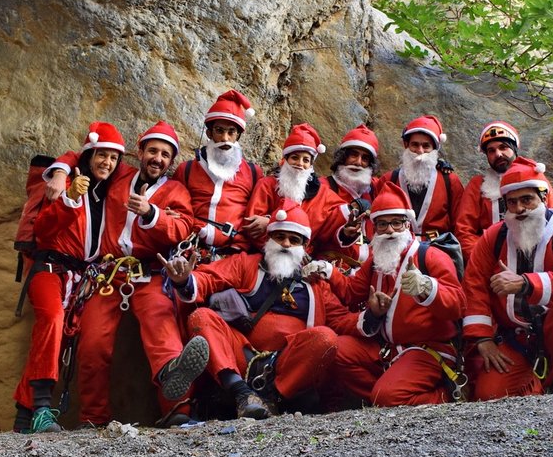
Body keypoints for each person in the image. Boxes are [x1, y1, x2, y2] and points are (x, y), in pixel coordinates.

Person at [67, 121, 209, 427]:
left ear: (171, 162)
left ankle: (177, 411)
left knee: (162, 327)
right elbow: (85, 156)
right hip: (108, 276)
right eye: (153, 151)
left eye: (165, 155)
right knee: (93, 343)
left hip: (150, 275)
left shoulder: (175, 191)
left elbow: (183, 227)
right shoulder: (120, 176)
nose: (158, 158)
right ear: (140, 152)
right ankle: (93, 419)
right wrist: (58, 170)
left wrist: (152, 213)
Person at [164, 200, 347, 419]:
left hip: (286, 364)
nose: (286, 244)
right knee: (202, 317)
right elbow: (209, 278)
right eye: (279, 237)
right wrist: (184, 281)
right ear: (268, 240)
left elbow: (341, 320)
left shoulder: (316, 283)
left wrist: (373, 315)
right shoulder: (246, 264)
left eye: (294, 239)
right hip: (242, 354)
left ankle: (271, 399)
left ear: (304, 248)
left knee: (326, 337)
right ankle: (241, 393)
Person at [302, 181, 466, 406]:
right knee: (336, 351)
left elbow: (458, 304)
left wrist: (427, 288)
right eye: (382, 224)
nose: (389, 230)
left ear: (407, 225)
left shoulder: (431, 256)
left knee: (387, 396)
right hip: (386, 347)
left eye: (396, 223)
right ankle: (385, 395)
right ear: (374, 229)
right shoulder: (375, 260)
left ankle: (446, 395)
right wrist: (328, 270)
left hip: (426, 349)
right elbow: (352, 293)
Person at [12, 122, 125, 433]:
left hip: (82, 277)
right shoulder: (71, 186)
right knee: (51, 321)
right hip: (49, 268)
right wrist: (69, 198)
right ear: (89, 155)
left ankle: (24, 416)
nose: (107, 163)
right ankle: (43, 409)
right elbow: (44, 231)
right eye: (102, 155)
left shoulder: (109, 192)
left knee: (60, 338)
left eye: (114, 158)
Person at [461, 161, 553, 399]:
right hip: (515, 335)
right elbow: (474, 285)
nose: (519, 208)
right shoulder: (494, 236)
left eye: (527, 200)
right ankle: (535, 389)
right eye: (512, 203)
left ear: (543, 198)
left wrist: (525, 283)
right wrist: (482, 337)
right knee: (488, 395)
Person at [172, 90, 263, 259]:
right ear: (209, 133)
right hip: (190, 251)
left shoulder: (253, 173)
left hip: (234, 255)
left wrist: (267, 220)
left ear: (238, 136)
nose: (225, 138)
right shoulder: (186, 170)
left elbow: (264, 208)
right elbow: (175, 209)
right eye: (219, 131)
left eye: (231, 132)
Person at [455, 121, 553, 262]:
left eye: (503, 147)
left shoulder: (536, 178)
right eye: (491, 151)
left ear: (514, 148)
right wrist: (483, 260)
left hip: (534, 257)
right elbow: (464, 230)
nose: (498, 154)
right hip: (489, 258)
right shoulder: (477, 185)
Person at [243, 123, 345, 253]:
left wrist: (358, 207)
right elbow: (253, 227)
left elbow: (342, 214)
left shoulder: (322, 194)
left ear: (311, 165)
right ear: (285, 159)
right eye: (295, 157)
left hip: (301, 259)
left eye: (306, 160)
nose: (300, 164)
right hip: (264, 254)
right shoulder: (266, 185)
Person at [379, 114, 464, 241]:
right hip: (398, 249)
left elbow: (460, 223)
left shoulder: (450, 181)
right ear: (406, 145)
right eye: (415, 145)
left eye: (426, 146)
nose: (420, 151)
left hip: (438, 250)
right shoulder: (389, 180)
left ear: (435, 149)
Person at [316, 124, 381, 266]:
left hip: (366, 274)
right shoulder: (322, 187)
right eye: (353, 155)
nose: (358, 162)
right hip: (331, 269)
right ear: (342, 157)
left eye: (365, 158)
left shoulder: (373, 189)